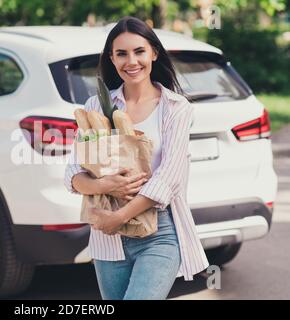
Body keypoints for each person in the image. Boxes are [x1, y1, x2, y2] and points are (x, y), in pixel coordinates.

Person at [64, 16, 209, 300]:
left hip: (159, 231)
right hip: (108, 237)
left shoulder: (175, 108)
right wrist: (106, 187)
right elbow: (73, 173)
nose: (131, 61)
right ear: (112, 58)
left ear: (154, 52)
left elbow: (169, 177)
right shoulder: (96, 107)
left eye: (139, 51)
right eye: (121, 53)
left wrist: (119, 216)